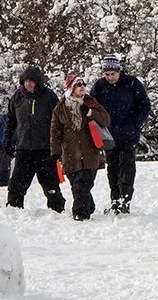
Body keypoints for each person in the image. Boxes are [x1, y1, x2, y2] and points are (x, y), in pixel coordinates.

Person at [90, 54, 152, 214]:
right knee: (112, 170)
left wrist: (136, 123)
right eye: (107, 74)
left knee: (127, 169)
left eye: (113, 74)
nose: (110, 77)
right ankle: (115, 201)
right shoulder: (100, 86)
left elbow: (144, 105)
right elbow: (90, 105)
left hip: (128, 135)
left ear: (119, 71)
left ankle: (125, 201)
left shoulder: (132, 83)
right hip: (108, 136)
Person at [4, 66, 65, 212]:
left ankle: (57, 209)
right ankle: (13, 208)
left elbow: (58, 122)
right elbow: (11, 120)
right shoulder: (17, 97)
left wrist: (58, 145)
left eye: (32, 81)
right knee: (17, 182)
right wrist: (7, 140)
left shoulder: (49, 96)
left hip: (45, 148)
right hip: (23, 148)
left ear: (38, 82)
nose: (28, 84)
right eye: (26, 81)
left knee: (50, 183)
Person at [51, 74, 111, 221]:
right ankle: (88, 206)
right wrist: (55, 151)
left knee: (82, 183)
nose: (82, 87)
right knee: (76, 185)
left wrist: (90, 112)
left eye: (83, 84)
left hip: (90, 152)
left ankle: (80, 213)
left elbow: (106, 120)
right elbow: (55, 132)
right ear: (71, 88)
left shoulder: (91, 102)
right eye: (78, 85)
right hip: (70, 154)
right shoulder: (60, 108)